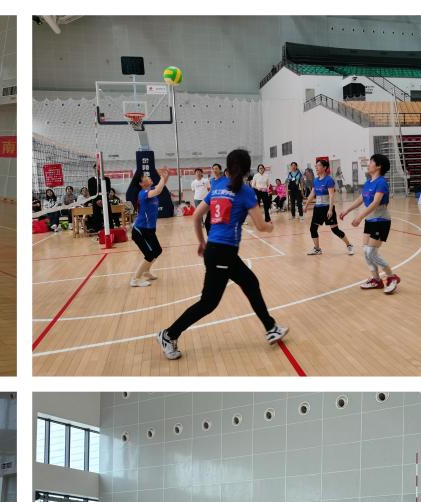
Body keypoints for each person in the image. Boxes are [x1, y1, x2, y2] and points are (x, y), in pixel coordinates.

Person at [157, 148, 288, 361]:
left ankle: (270, 327)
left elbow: (197, 216)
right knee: (208, 303)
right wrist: (271, 227)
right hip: (222, 253)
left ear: (228, 167)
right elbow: (261, 226)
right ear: (247, 169)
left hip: (218, 250)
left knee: (250, 283)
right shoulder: (245, 191)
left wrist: (202, 242)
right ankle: (169, 334)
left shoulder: (218, 187)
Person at [339, 152, 400, 294]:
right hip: (370, 221)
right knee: (366, 251)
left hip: (381, 220)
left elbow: (375, 202)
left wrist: (359, 217)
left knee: (371, 252)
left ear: (378, 166)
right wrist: (347, 210)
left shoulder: (381, 183)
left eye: (371, 162)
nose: (369, 164)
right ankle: (376, 280)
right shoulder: (368, 182)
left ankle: (392, 277)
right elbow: (360, 199)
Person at [127, 167, 170, 287]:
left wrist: (165, 176)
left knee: (157, 250)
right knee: (149, 254)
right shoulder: (143, 194)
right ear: (141, 184)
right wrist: (162, 178)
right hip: (140, 230)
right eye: (145, 177)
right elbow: (158, 190)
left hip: (149, 230)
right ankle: (135, 279)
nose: (148, 177)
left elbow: (160, 187)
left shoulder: (150, 190)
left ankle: (146, 271)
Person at [305, 158, 354, 256]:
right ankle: (317, 249)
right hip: (317, 209)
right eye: (316, 166)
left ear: (324, 167)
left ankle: (349, 245)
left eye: (318, 165)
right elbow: (312, 193)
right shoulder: (315, 180)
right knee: (313, 229)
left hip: (327, 208)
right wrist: (306, 205)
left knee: (335, 230)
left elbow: (331, 195)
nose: (316, 167)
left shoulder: (329, 180)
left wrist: (330, 209)